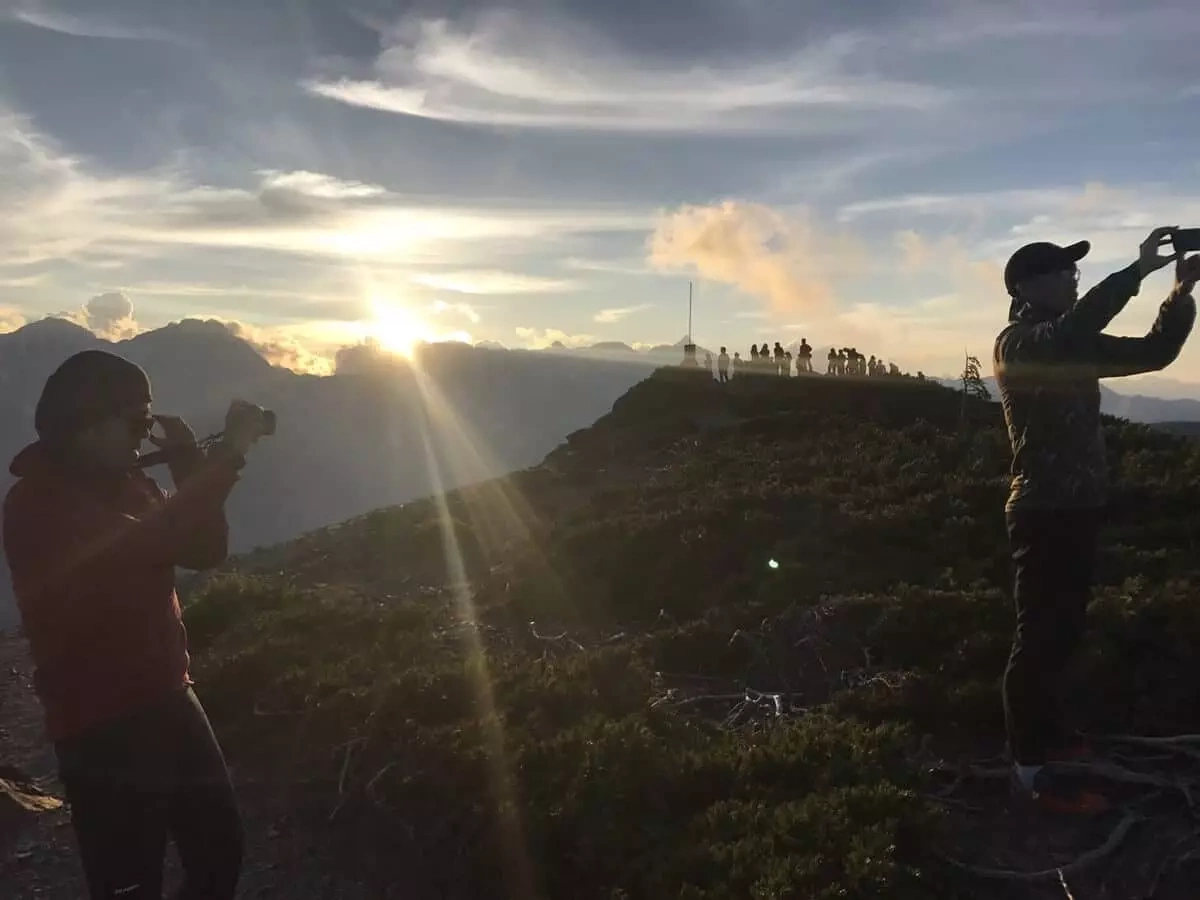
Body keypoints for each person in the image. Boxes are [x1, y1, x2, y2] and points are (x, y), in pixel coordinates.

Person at [3, 350, 271, 898]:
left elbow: (204, 548)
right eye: (135, 421)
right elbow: (155, 541)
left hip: (170, 692)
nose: (143, 434)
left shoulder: (128, 483)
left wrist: (188, 465)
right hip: (101, 723)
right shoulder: (38, 503)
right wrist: (226, 457)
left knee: (220, 849)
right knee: (128, 883)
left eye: (148, 421)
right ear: (86, 424)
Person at [994, 228, 1199, 815]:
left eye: (1073, 272)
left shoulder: (1068, 343)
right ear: (1028, 287)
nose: (1073, 278)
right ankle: (1028, 769)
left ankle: (1051, 736)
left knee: (1061, 633)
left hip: (1078, 507)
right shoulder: (1021, 343)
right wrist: (1138, 270)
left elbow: (1154, 353)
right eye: (1064, 272)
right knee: (1038, 638)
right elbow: (1076, 327)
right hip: (1040, 510)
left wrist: (1180, 291)